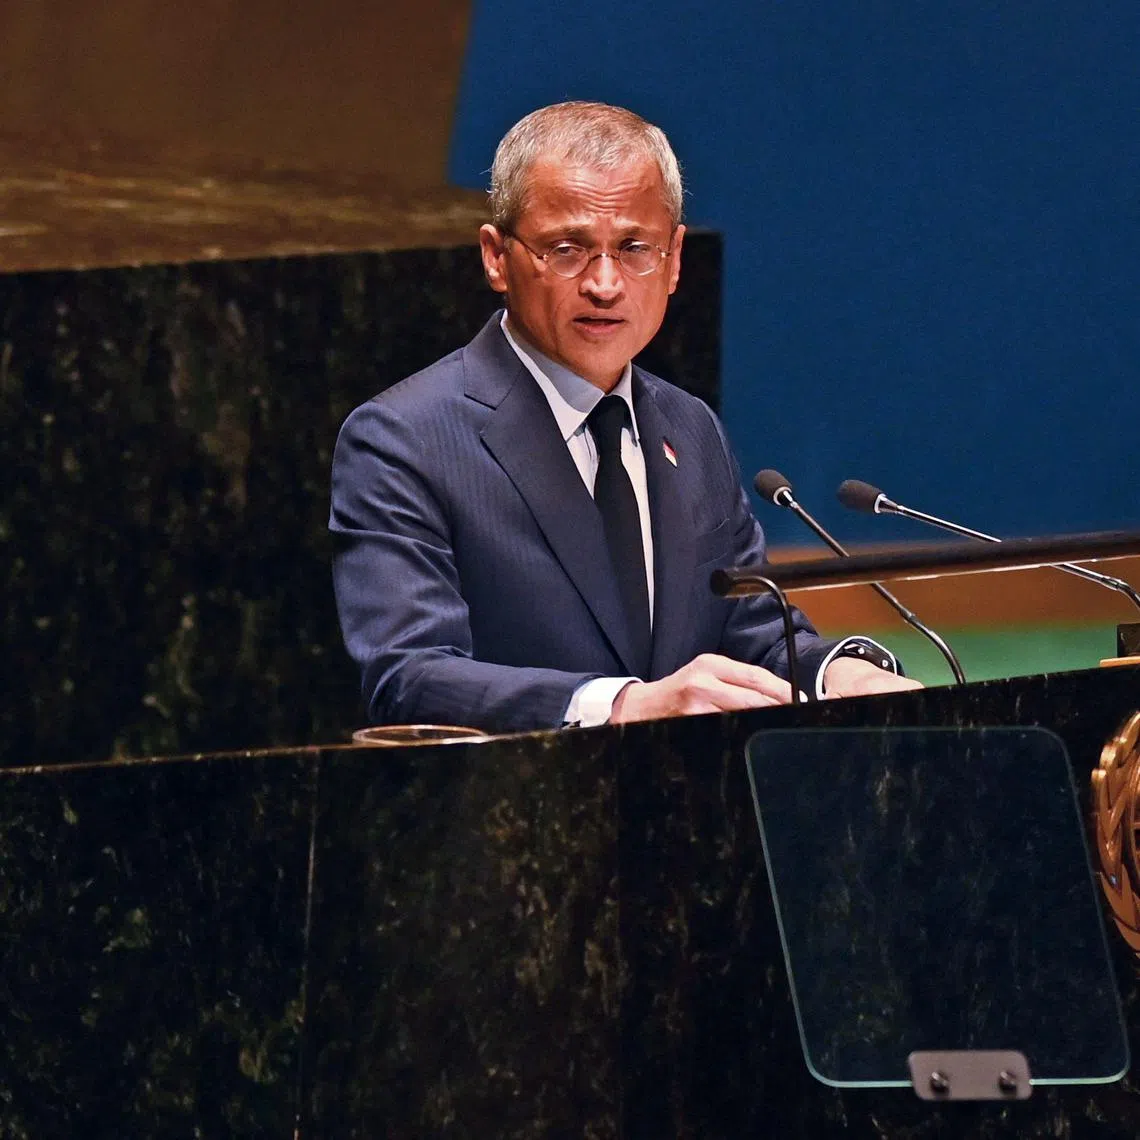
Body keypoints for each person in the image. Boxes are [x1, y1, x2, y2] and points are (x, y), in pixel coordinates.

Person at [330, 101, 920, 733]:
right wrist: (621, 705)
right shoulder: (404, 439)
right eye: (567, 249)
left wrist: (837, 672)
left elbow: (750, 633)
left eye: (635, 248)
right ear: (496, 258)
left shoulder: (690, 428)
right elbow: (411, 676)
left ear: (674, 262)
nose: (605, 284)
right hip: (518, 813)